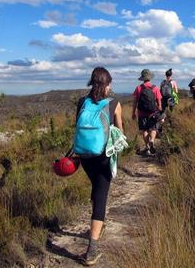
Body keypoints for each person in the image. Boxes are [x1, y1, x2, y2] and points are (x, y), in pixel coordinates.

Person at [75, 67, 123, 266]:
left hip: (85, 154)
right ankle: (91, 250)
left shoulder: (81, 102)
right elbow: (120, 131)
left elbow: (76, 126)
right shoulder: (114, 104)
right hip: (103, 155)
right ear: (106, 84)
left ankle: (97, 225)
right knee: (102, 195)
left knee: (96, 187)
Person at [132, 69, 163, 156]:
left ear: (142, 78)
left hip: (141, 113)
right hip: (153, 112)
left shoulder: (138, 88)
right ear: (150, 78)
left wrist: (133, 112)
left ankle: (147, 147)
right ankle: (152, 141)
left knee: (144, 130)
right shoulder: (155, 88)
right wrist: (159, 109)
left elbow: (135, 102)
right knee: (153, 129)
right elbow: (159, 101)